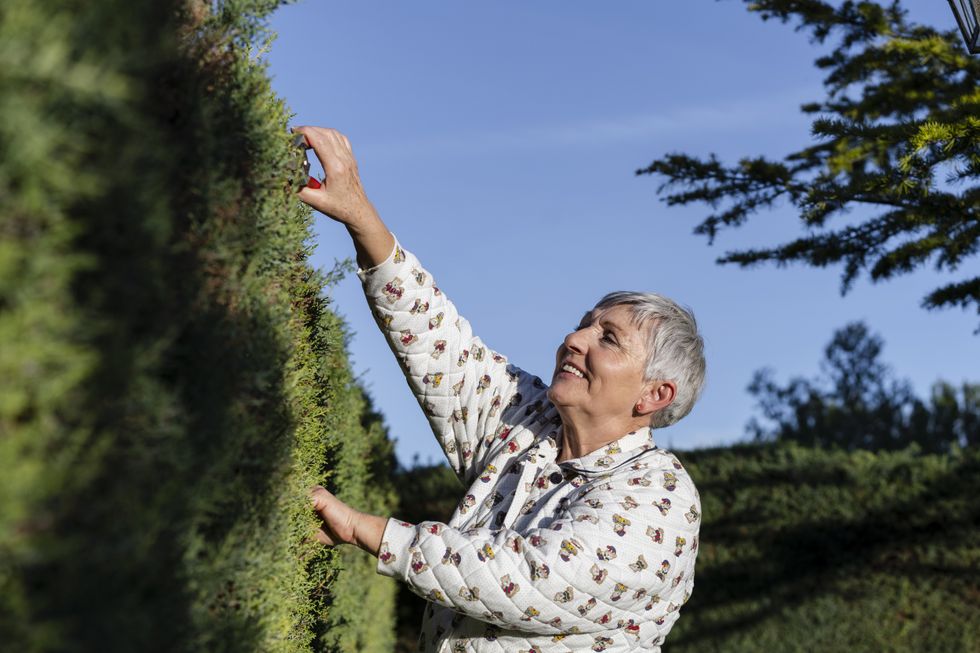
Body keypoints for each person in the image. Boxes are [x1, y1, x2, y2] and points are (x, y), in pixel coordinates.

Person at [296, 126, 705, 653]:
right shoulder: (530, 423)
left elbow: (528, 578)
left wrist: (364, 530)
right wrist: (360, 215)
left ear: (653, 396)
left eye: (607, 339)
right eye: (584, 323)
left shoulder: (660, 501)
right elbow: (441, 347)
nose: (574, 339)